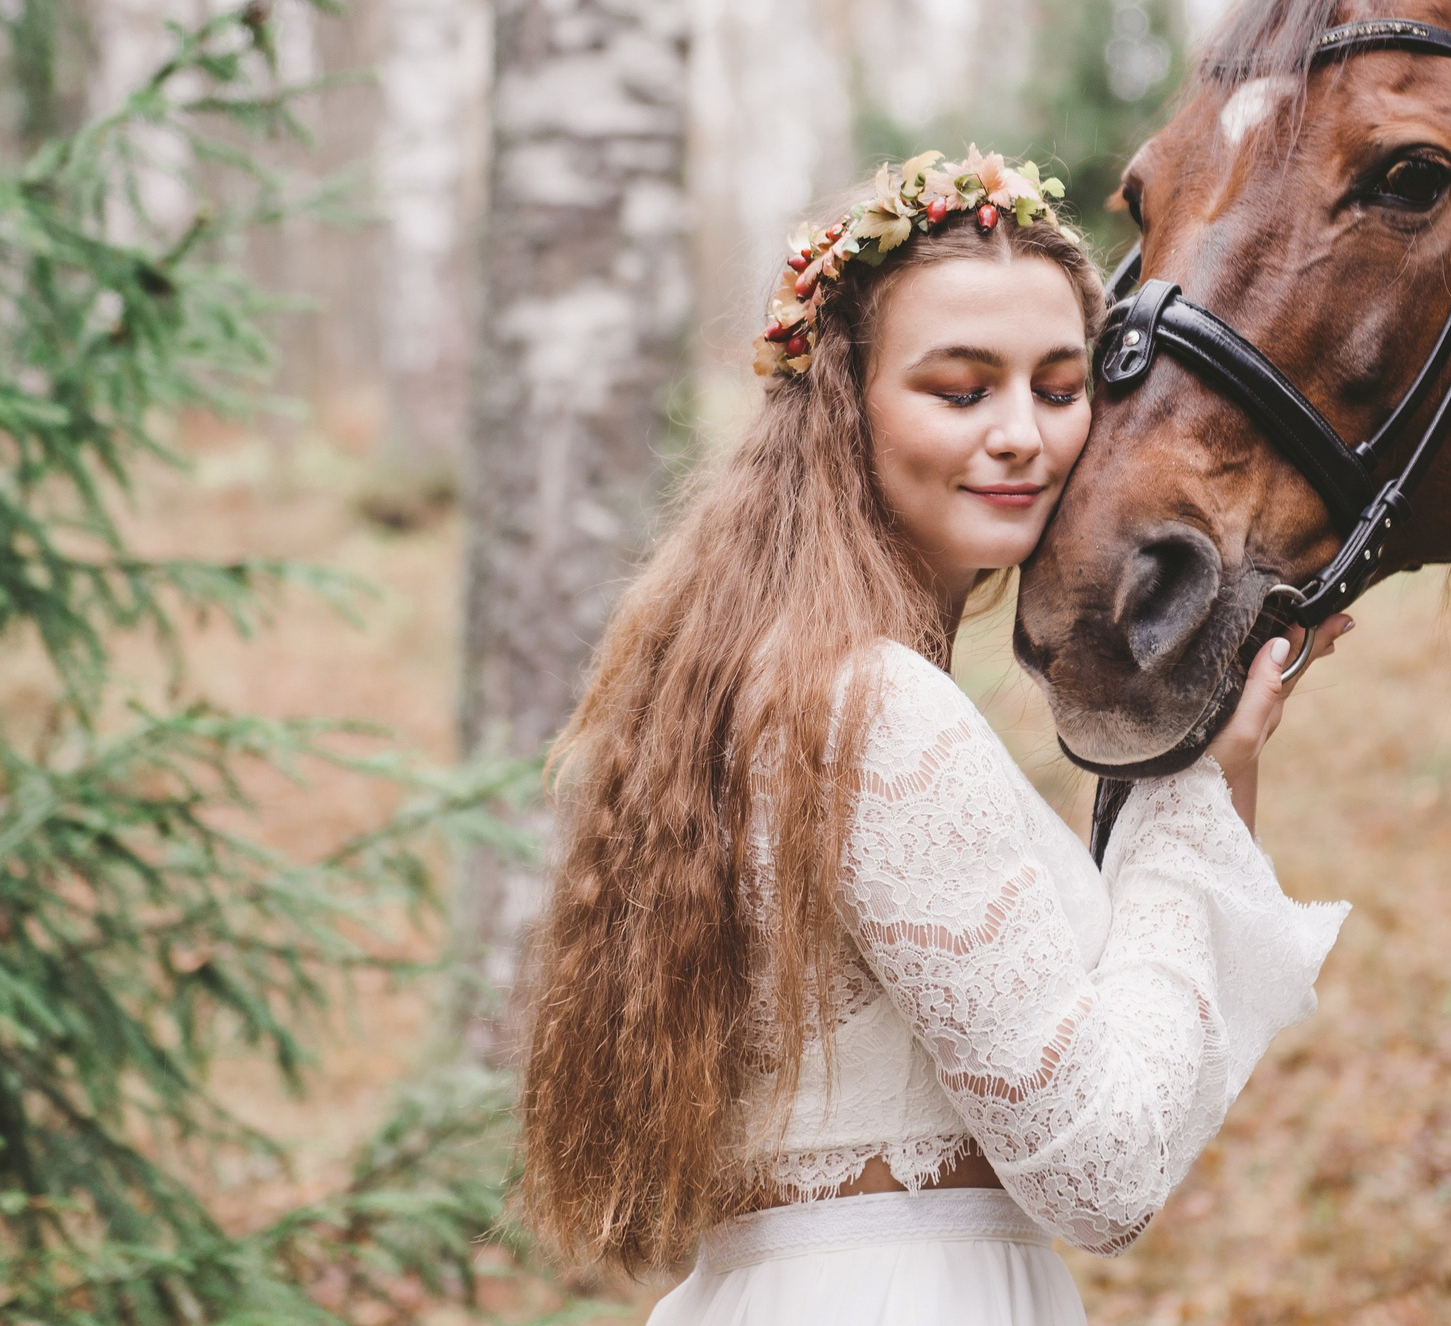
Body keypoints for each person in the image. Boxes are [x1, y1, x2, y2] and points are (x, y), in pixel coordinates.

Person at [518, 148, 1351, 1324]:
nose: (1022, 433)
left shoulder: (784, 680)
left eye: (1059, 389)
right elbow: (1102, 1171)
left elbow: (1106, 1058)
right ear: (841, 404)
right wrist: (1187, 795)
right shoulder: (877, 711)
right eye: (961, 390)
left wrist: (1213, 776)